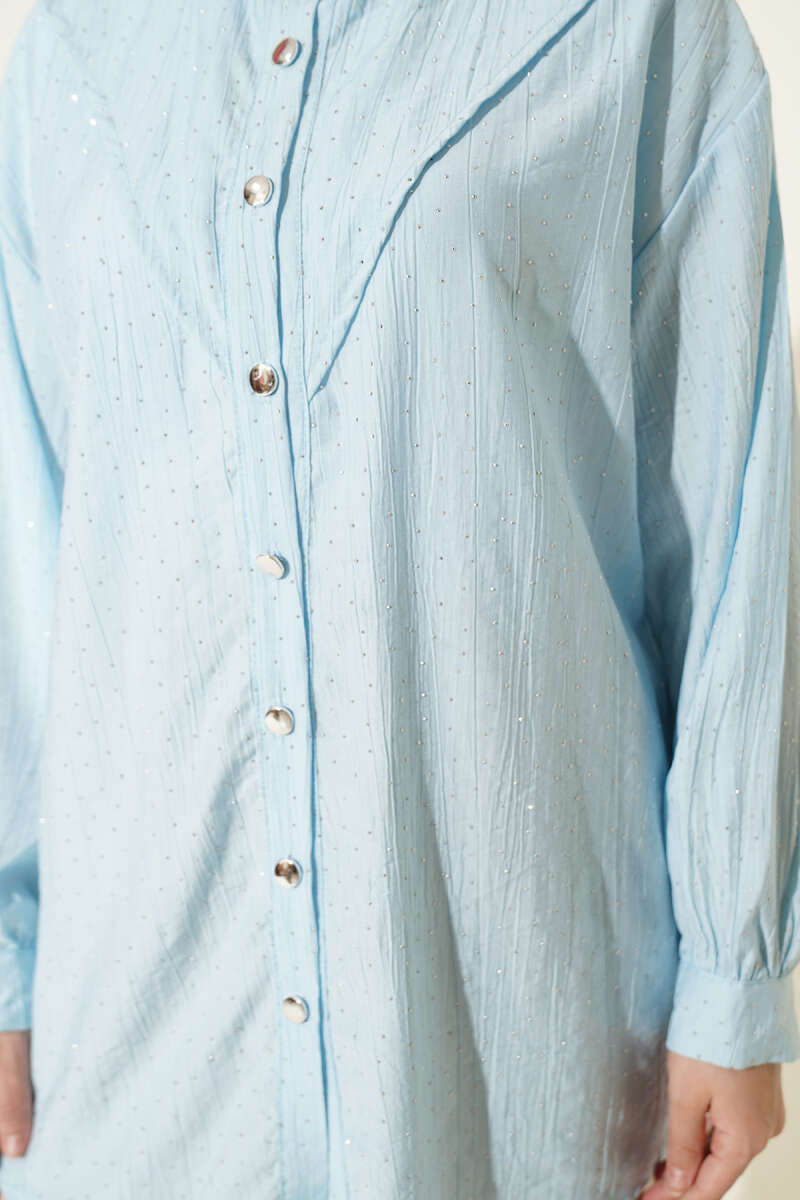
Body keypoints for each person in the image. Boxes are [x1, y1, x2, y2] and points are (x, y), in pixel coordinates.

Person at [0, 0, 798, 1197]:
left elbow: (727, 504)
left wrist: (732, 978)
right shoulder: (77, 48)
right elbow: (28, 542)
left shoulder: (636, 26)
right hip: (131, 1030)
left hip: (503, 1007)